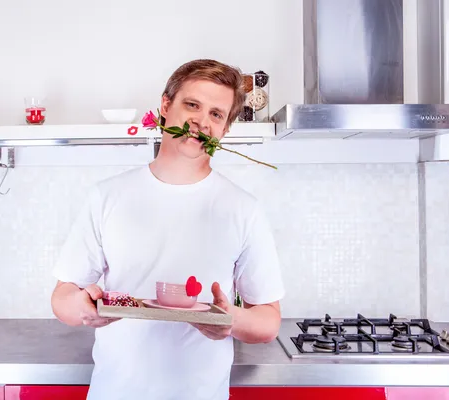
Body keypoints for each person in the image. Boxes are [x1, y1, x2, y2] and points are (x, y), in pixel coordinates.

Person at [50, 59, 285, 400]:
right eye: (192, 105)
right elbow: (62, 298)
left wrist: (228, 320)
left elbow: (268, 320)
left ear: (225, 130)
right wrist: (84, 307)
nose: (201, 121)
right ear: (165, 105)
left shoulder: (243, 209)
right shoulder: (107, 196)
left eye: (216, 115)